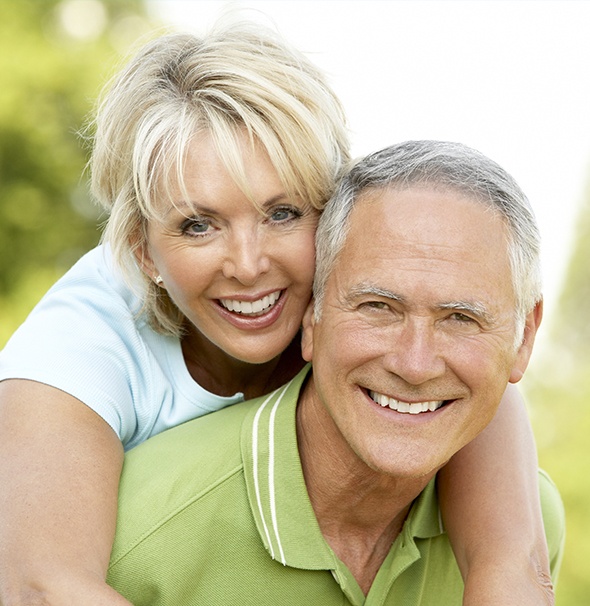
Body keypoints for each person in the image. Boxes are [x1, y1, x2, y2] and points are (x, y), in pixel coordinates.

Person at [0, 19, 550, 605]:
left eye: (283, 213)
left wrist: (505, 564)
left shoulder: (351, 297)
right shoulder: (78, 345)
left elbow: (464, 379)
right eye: (198, 224)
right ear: (143, 250)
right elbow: (39, 586)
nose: (247, 263)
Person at [106, 140, 565, 605]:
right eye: (378, 307)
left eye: (460, 319)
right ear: (312, 316)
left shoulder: (531, 523)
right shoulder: (134, 536)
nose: (414, 364)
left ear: (523, 338)